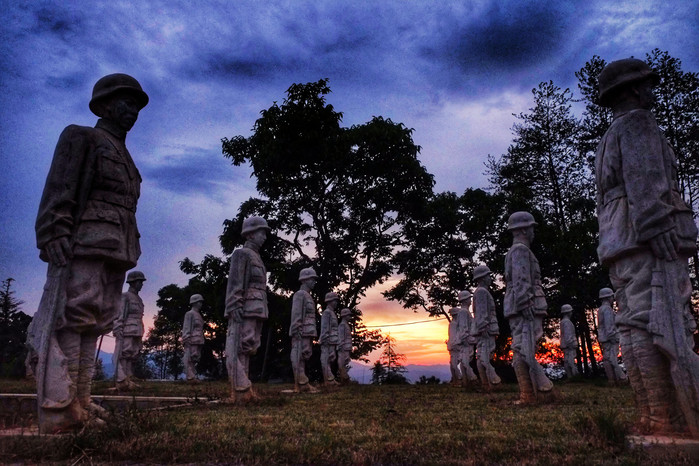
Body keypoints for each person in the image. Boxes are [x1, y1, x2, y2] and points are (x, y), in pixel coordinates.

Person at [29, 73, 148, 433]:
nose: (131, 111)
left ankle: (80, 399)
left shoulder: (124, 155)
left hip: (117, 247)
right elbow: (60, 188)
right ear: (105, 104)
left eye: (135, 104)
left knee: (96, 321)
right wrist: (54, 231)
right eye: (124, 102)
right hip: (84, 243)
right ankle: (61, 405)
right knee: (74, 316)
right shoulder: (81, 137)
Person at [596, 58, 699, 435]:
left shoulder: (610, 134)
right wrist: (657, 223)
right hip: (646, 236)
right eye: (647, 85)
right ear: (635, 89)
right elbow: (645, 177)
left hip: (620, 238)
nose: (651, 91)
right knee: (656, 322)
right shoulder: (638, 123)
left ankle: (653, 415)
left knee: (634, 323)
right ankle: (665, 416)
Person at [504, 211, 554, 403]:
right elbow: (521, 279)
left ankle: (528, 394)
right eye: (531, 228)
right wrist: (525, 303)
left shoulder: (516, 251)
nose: (533, 232)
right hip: (525, 306)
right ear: (524, 229)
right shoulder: (520, 251)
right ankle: (534, 392)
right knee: (524, 347)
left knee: (521, 347)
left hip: (520, 305)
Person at [224, 216, 271, 401]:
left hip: (257, 307)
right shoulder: (241, 254)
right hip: (245, 307)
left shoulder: (257, 257)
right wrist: (234, 305)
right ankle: (240, 387)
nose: (265, 237)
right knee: (238, 346)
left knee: (248, 347)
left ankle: (243, 389)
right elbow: (236, 283)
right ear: (250, 234)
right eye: (262, 232)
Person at [113, 270, 146, 390]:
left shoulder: (139, 299)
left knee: (133, 353)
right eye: (139, 282)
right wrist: (118, 327)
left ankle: (129, 376)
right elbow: (120, 314)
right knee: (124, 353)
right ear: (133, 282)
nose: (141, 284)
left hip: (137, 329)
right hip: (127, 329)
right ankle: (122, 379)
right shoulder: (125, 296)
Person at [289, 267, 319, 393]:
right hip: (301, 330)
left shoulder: (308, 296)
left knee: (304, 354)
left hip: (308, 330)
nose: (314, 282)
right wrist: (296, 329)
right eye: (312, 279)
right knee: (298, 354)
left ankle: (303, 381)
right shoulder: (300, 295)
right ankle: (301, 382)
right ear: (305, 279)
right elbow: (297, 314)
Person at [472, 265, 501, 388]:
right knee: (485, 355)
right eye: (488, 276)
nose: (490, 278)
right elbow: (483, 313)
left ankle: (486, 383)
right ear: (483, 278)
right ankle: (491, 381)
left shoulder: (480, 292)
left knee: (482, 355)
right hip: (486, 328)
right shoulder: (482, 292)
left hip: (485, 327)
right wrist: (483, 327)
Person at [596, 288, 627, 384]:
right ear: (608, 297)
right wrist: (612, 336)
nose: (612, 299)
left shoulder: (601, 309)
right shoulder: (607, 309)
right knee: (612, 358)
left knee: (607, 358)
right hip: (610, 337)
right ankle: (622, 378)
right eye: (611, 297)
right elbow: (609, 325)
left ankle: (612, 379)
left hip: (604, 337)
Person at [182, 294, 206, 383]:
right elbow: (187, 327)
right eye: (199, 302)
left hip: (198, 339)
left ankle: (192, 375)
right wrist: (186, 338)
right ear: (194, 302)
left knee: (195, 358)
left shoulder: (198, 315)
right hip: (191, 339)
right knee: (189, 358)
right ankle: (190, 377)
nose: (201, 304)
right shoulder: (189, 314)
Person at [319, 292, 340, 386]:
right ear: (330, 301)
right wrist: (324, 340)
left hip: (332, 341)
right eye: (334, 300)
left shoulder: (332, 313)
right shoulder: (327, 313)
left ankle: (330, 378)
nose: (336, 302)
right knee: (326, 359)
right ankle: (328, 380)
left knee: (330, 359)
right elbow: (325, 328)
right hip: (327, 341)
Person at [559, 304, 579, 379]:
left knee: (567, 360)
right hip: (569, 345)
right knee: (570, 361)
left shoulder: (563, 322)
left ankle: (571, 377)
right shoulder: (566, 322)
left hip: (567, 344)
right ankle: (573, 377)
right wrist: (571, 343)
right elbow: (568, 335)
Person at [446, 306, 463, 385]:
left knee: (454, 364)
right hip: (455, 346)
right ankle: (457, 379)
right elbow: (452, 336)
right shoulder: (454, 324)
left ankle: (457, 379)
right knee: (453, 364)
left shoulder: (454, 324)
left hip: (455, 345)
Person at [337, 308, 352, 383]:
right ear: (345, 316)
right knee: (341, 363)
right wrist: (340, 347)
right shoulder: (342, 325)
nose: (350, 317)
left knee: (344, 363)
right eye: (348, 315)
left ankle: (344, 378)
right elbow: (341, 338)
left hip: (346, 348)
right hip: (343, 348)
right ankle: (344, 378)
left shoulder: (346, 325)